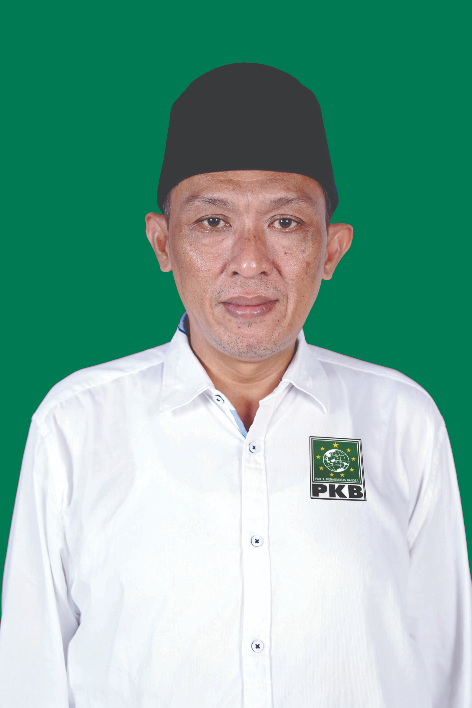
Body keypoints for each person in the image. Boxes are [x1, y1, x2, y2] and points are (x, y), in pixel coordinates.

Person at [0, 63, 470, 708]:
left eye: (285, 223)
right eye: (213, 222)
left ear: (332, 250)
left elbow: (447, 670)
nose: (250, 261)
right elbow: (28, 676)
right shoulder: (77, 424)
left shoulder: (400, 420)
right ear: (162, 242)